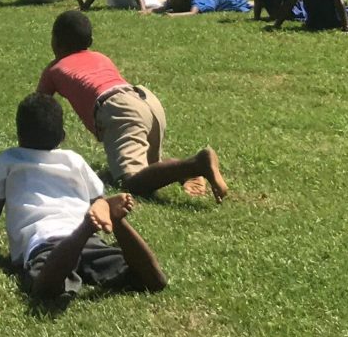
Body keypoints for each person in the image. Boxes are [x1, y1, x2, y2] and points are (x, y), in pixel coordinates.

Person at [0, 93, 167, 300]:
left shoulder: (9, 160)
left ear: (19, 135)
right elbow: (96, 200)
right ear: (62, 136)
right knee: (152, 280)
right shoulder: (73, 159)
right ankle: (116, 222)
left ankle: (84, 230)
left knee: (45, 290)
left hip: (45, 241)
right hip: (91, 242)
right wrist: (103, 210)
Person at [37, 10, 228, 200]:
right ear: (90, 41)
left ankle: (197, 164)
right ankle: (187, 170)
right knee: (149, 172)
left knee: (131, 183)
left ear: (55, 42)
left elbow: (38, 111)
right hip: (145, 101)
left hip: (118, 109)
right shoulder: (100, 57)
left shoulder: (54, 69)